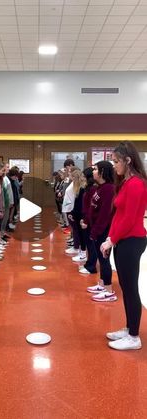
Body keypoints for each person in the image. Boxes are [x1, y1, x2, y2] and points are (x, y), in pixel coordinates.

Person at [101, 141, 147, 350]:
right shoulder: (126, 183)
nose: (114, 165)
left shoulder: (137, 183)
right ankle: (129, 328)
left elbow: (129, 219)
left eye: (117, 161)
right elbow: (118, 216)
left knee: (130, 288)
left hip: (132, 240)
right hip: (122, 240)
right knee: (126, 287)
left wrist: (112, 239)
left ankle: (134, 336)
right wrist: (110, 238)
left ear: (128, 161)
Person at [86, 161, 116, 302]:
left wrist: (95, 231)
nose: (93, 172)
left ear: (103, 172)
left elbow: (105, 214)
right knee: (100, 258)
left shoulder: (109, 189)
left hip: (103, 231)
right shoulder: (101, 187)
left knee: (104, 260)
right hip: (96, 229)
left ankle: (109, 290)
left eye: (96, 169)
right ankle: (102, 284)